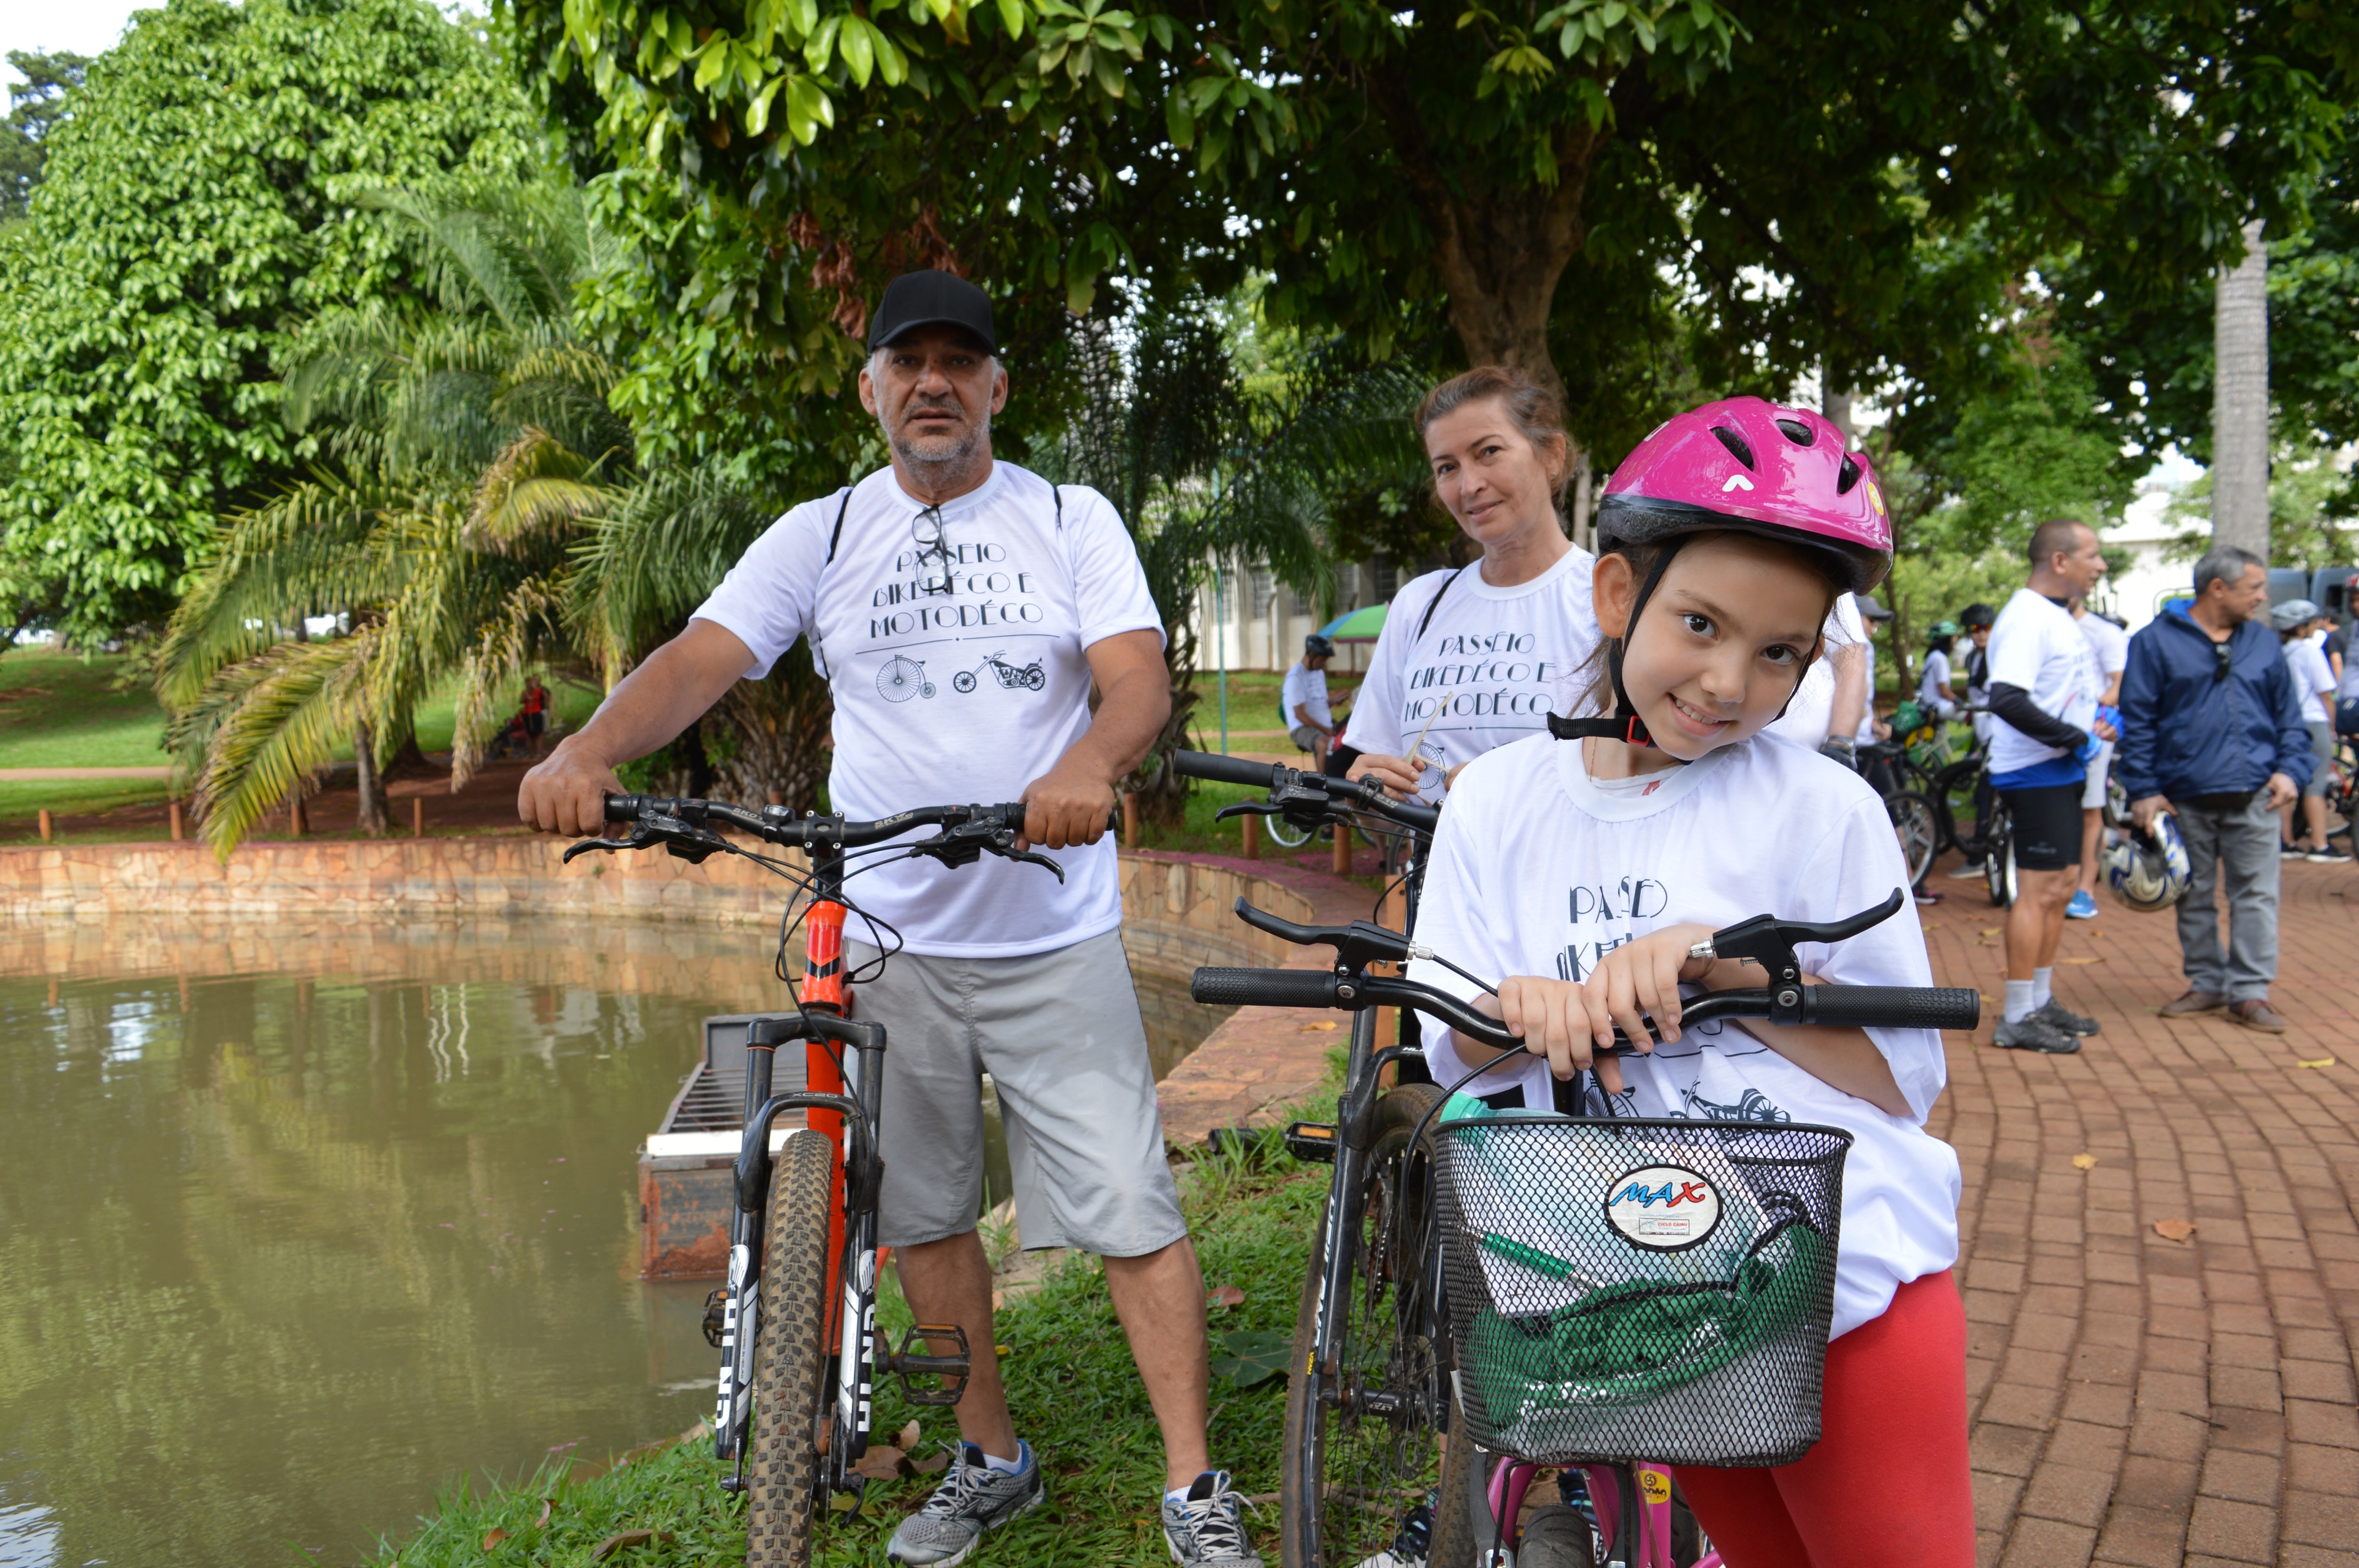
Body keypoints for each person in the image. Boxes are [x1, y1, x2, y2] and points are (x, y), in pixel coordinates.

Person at [515, 270, 1262, 1566]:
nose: (932, 384)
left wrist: (1086, 767)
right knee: (920, 1214)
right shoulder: (822, 530)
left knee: (1131, 1211)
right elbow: (704, 656)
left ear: (995, 389)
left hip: (1046, 931)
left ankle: (1194, 1485)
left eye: (957, 363)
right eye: (905, 363)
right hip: (887, 938)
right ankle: (988, 1456)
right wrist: (586, 748)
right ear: (870, 391)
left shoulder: (1066, 517)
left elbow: (1132, 678)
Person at [1406, 396, 1972, 1564]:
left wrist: (1732, 971)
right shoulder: (1497, 801)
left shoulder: (1823, 809)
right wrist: (1521, 1012)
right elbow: (1448, 1044)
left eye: (1778, 652)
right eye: (1700, 624)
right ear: (1618, 596)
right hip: (1647, 1296)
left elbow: (1900, 1082)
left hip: (1837, 1284)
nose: (1726, 682)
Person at [1342, 366, 1598, 802]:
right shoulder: (1420, 605)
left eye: (1489, 452)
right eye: (1447, 467)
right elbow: (1377, 790)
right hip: (1430, 869)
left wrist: (1506, 790)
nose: (1469, 485)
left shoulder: (1604, 600)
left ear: (1552, 455)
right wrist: (1367, 790)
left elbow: (1646, 774)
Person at [2117, 546, 2312, 1034]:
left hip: (2257, 794)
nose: (2263, 598)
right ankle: (2208, 982)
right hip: (2184, 798)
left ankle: (2249, 993)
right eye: (2255, 588)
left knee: (2257, 895)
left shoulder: (2263, 642)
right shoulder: (2153, 642)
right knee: (2193, 895)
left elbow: (2289, 716)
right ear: (2218, 588)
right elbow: (2138, 721)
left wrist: (2291, 771)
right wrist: (2143, 789)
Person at [1982, 520, 2114, 1054]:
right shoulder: (2026, 617)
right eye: (2093, 555)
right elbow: (2006, 699)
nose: (2100, 565)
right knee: (2039, 892)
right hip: (2032, 771)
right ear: (2060, 561)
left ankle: (2038, 998)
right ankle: (2016, 1014)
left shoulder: (2057, 617)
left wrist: (2095, 728)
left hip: (2060, 769)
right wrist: (2074, 737)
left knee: (2062, 886)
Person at [2069, 601, 2130, 918]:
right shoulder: (2042, 622)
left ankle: (2085, 891)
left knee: (2090, 811)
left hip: (2093, 734)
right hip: (2050, 735)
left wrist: (2088, 712)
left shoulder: (2104, 632)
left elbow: (2119, 685)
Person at [2273, 599, 2346, 863]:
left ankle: (2286, 842)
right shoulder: (2309, 651)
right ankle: (2320, 844)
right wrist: (2333, 727)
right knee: (2316, 786)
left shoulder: (2280, 652)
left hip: (2287, 723)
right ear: (2303, 627)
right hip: (2313, 721)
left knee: (2288, 782)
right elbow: (2326, 693)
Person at [1945, 602, 2001, 880]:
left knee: (1985, 795)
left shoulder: (1999, 656)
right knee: (1984, 796)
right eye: (1976, 629)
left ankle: (1980, 856)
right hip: (1985, 735)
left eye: (1987, 628)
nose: (1981, 634)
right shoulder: (1974, 658)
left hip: (1999, 736)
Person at [1283, 633, 1342, 767]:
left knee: (1349, 736)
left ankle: (1340, 781)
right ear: (1311, 655)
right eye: (1322, 660)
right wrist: (1327, 731)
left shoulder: (1319, 673)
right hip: (1302, 727)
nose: (1324, 664)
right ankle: (1322, 785)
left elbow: (1318, 702)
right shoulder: (1295, 678)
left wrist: (1334, 701)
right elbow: (1300, 715)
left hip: (1324, 725)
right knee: (1324, 744)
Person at [1917, 621, 1962, 721]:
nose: (1955, 641)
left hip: (1926, 703)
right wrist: (1957, 700)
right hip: (1936, 705)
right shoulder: (1940, 659)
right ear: (1947, 639)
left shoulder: (1933, 655)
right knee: (1972, 714)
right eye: (1955, 638)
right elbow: (1943, 691)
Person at [520, 673, 551, 757]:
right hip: (528, 714)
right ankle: (532, 753)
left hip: (537, 713)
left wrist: (543, 705)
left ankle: (540, 752)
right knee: (530, 734)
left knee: (539, 733)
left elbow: (547, 697)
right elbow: (521, 701)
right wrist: (526, 696)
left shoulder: (539, 691)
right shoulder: (524, 692)